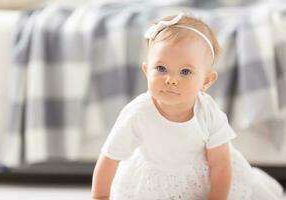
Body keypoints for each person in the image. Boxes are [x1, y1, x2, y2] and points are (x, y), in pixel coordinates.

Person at [91, 13, 284, 200]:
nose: (171, 79)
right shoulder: (137, 113)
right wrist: (100, 196)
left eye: (185, 71)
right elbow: (109, 158)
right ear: (146, 70)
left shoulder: (207, 112)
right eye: (161, 68)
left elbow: (220, 165)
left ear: (206, 81)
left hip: (203, 178)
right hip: (153, 181)